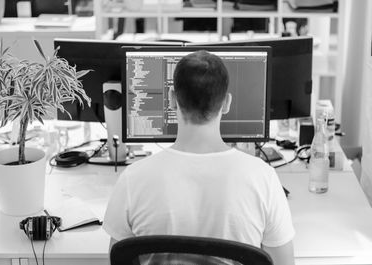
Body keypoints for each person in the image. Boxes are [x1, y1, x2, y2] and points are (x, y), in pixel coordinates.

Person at [103, 50, 295, 265]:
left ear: (172, 100)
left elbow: (117, 258)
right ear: (227, 103)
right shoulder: (263, 177)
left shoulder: (134, 178)